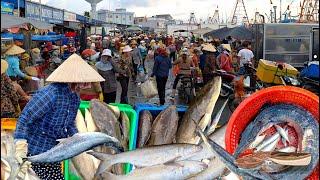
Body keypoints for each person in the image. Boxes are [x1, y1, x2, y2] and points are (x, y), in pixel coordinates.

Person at [13, 54, 104, 179]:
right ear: (74, 80)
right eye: (85, 81)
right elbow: (25, 119)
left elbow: (70, 122)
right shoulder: (50, 94)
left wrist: (77, 137)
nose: (88, 85)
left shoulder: (74, 97)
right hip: (35, 150)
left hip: (54, 151)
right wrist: (20, 145)